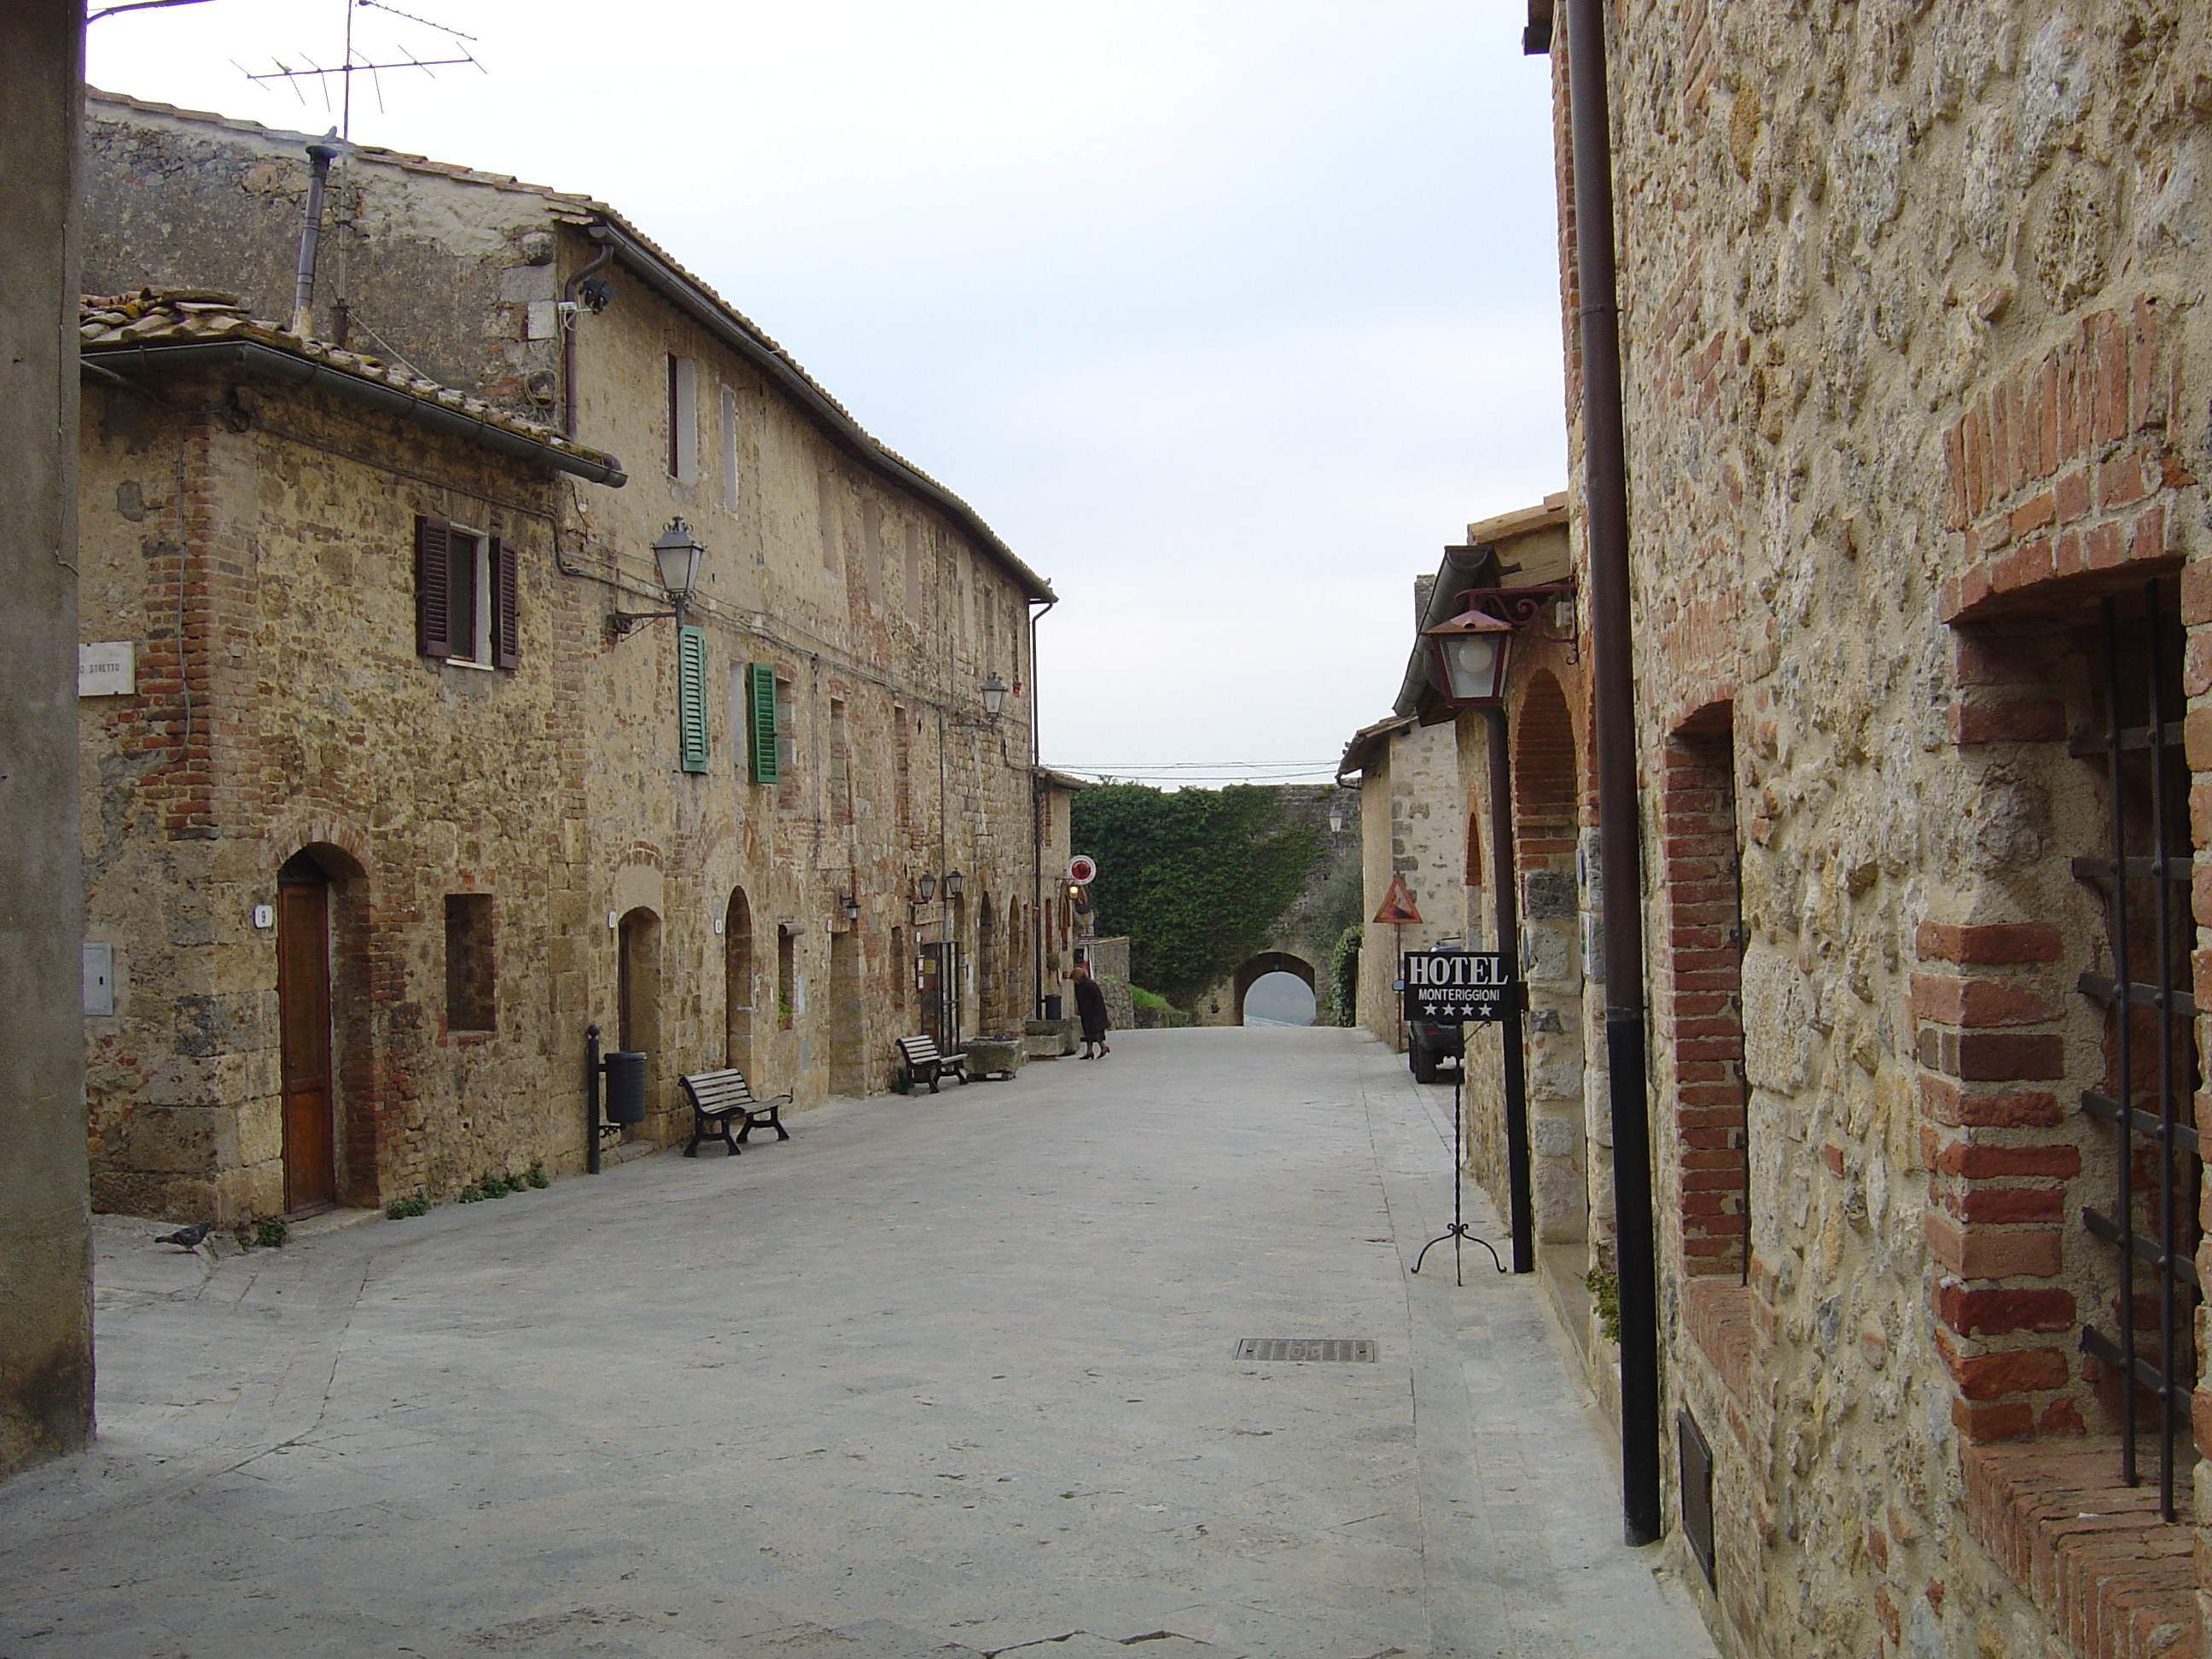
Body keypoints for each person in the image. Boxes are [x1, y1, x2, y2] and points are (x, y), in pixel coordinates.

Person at [1072, 961, 1110, 1058]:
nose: (1074, 982)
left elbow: (1097, 1000)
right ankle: (1090, 1051)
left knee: (1095, 1031)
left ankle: (1103, 1047)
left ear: (1079, 978)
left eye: (1075, 980)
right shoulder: (1079, 986)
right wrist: (1079, 1009)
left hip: (1095, 1012)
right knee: (1087, 1032)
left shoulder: (1090, 985)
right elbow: (1080, 999)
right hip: (1086, 1012)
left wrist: (1096, 1012)